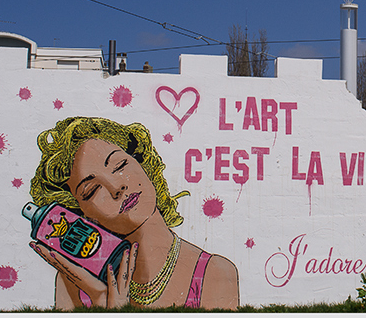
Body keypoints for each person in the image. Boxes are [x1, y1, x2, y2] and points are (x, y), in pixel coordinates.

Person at [28, 117, 239, 310]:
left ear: (142, 163)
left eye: (120, 165)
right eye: (92, 190)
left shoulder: (214, 273)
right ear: (81, 214)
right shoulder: (73, 283)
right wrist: (102, 302)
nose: (116, 187)